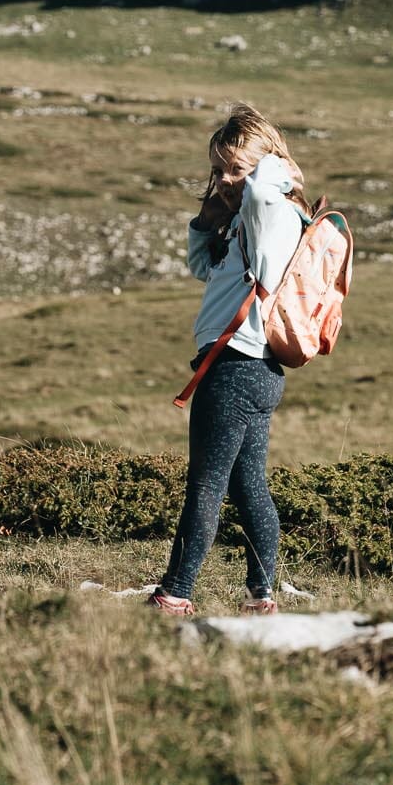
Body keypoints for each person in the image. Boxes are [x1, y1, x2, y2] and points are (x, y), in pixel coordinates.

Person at [149, 104, 310, 617]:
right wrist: (208, 217)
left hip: (237, 365)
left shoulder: (270, 207)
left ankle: (176, 591)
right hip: (254, 370)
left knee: (206, 484)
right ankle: (262, 595)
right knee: (248, 487)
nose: (223, 179)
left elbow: (264, 188)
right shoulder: (249, 215)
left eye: (235, 168)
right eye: (217, 169)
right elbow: (202, 267)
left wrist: (275, 166)